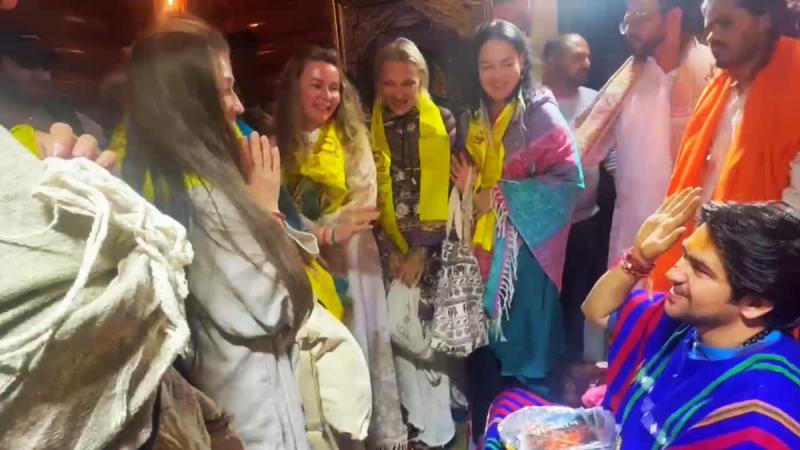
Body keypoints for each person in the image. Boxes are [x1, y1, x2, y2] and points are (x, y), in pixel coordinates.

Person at [125, 29, 315, 450]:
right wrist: (266, 211)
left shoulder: (160, 181)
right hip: (251, 417)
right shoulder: (202, 199)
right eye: (226, 90)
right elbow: (275, 308)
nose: (239, 106)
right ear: (191, 101)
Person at [582, 189, 800, 448]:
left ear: (755, 304)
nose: (673, 273)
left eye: (700, 270)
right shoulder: (687, 324)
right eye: (685, 255)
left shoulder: (758, 415)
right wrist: (639, 259)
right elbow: (598, 310)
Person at [451, 20, 583, 444]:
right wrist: (468, 191)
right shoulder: (471, 119)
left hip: (524, 263)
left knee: (527, 360)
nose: (497, 75)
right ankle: (486, 438)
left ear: (523, 62)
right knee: (482, 364)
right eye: (486, 65)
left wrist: (496, 196)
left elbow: (568, 181)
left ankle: (531, 438)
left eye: (506, 63)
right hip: (477, 257)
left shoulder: (540, 115)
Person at [275, 46, 407, 450]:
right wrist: (319, 232)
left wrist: (322, 228)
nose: (327, 96)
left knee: (361, 341)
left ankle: (375, 434)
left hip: (352, 257)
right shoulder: (279, 143)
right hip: (305, 259)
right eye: (316, 85)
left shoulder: (351, 138)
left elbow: (363, 204)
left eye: (334, 88)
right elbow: (278, 210)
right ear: (295, 88)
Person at [651, 0, 800, 290]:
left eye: (726, 23)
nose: (713, 36)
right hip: (702, 260)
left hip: (760, 274)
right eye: (709, 27)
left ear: (765, 20)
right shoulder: (719, 87)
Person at [573, 0, 715, 268]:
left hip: (689, 240)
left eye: (639, 16)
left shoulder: (713, 73)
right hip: (631, 239)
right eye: (626, 20)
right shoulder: (627, 80)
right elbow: (585, 148)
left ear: (673, 18)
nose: (630, 29)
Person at [370, 37, 457, 449]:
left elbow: (450, 189)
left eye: (408, 82)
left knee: (429, 337)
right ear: (378, 84)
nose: (399, 92)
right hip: (387, 247)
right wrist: (389, 252)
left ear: (422, 80)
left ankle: (442, 430)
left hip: (433, 248)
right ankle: (416, 427)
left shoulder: (444, 121)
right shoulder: (367, 128)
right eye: (389, 83)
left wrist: (422, 249)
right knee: (399, 339)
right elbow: (365, 190)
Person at [543, 33, 605, 362]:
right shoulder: (534, 103)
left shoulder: (597, 100)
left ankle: (575, 369)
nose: (587, 63)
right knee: (545, 302)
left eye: (588, 56)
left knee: (579, 299)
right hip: (543, 229)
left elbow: (611, 155)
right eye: (577, 57)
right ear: (552, 58)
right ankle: (550, 367)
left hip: (585, 223)